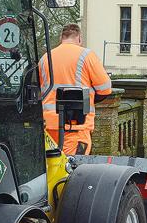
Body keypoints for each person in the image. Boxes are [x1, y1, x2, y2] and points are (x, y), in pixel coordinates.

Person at [38, 23, 113, 155]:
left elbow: (38, 89)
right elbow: (105, 89)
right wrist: (85, 101)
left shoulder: (45, 58)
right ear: (79, 38)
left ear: (61, 38)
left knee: (52, 169)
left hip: (48, 126)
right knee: (73, 169)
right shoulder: (87, 55)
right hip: (75, 126)